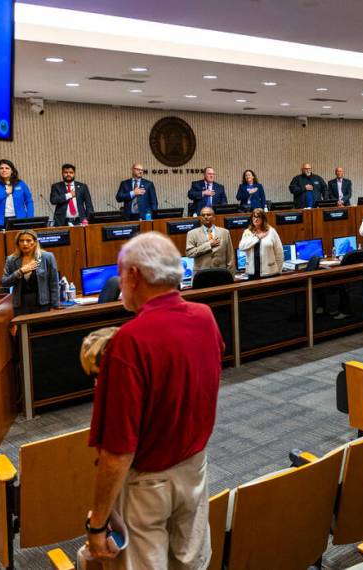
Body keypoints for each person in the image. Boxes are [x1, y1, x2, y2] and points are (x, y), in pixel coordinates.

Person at [85, 232, 222, 568]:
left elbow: (117, 452)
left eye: (120, 274)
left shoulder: (128, 342)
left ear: (133, 275)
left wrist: (98, 522)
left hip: (148, 484)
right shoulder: (205, 316)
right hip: (196, 470)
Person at [1, 229, 60, 315]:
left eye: (28, 240)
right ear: (18, 243)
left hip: (43, 304)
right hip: (20, 306)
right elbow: (4, 282)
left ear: (35, 242)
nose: (25, 244)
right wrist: (20, 271)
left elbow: (54, 283)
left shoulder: (47, 257)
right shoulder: (11, 260)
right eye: (21, 241)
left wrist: (55, 306)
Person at [0, 159, 34, 230]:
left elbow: (29, 201)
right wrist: (5, 192)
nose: (4, 170)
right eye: (1, 168)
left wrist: (30, 218)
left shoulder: (21, 184)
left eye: (7, 168)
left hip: (19, 219)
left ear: (12, 171)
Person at [185, 207, 235, 272]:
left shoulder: (224, 232)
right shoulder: (192, 233)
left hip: (221, 273)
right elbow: (189, 253)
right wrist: (209, 245)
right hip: (201, 274)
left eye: (208, 215)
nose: (205, 217)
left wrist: (231, 276)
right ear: (200, 218)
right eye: (203, 215)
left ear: (214, 217)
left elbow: (230, 257)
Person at [238, 209, 283, 279]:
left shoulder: (271, 231)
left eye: (258, 217)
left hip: (270, 272)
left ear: (263, 219)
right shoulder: (247, 232)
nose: (256, 219)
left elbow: (279, 253)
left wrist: (279, 270)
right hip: (253, 273)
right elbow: (242, 247)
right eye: (254, 217)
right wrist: (257, 238)